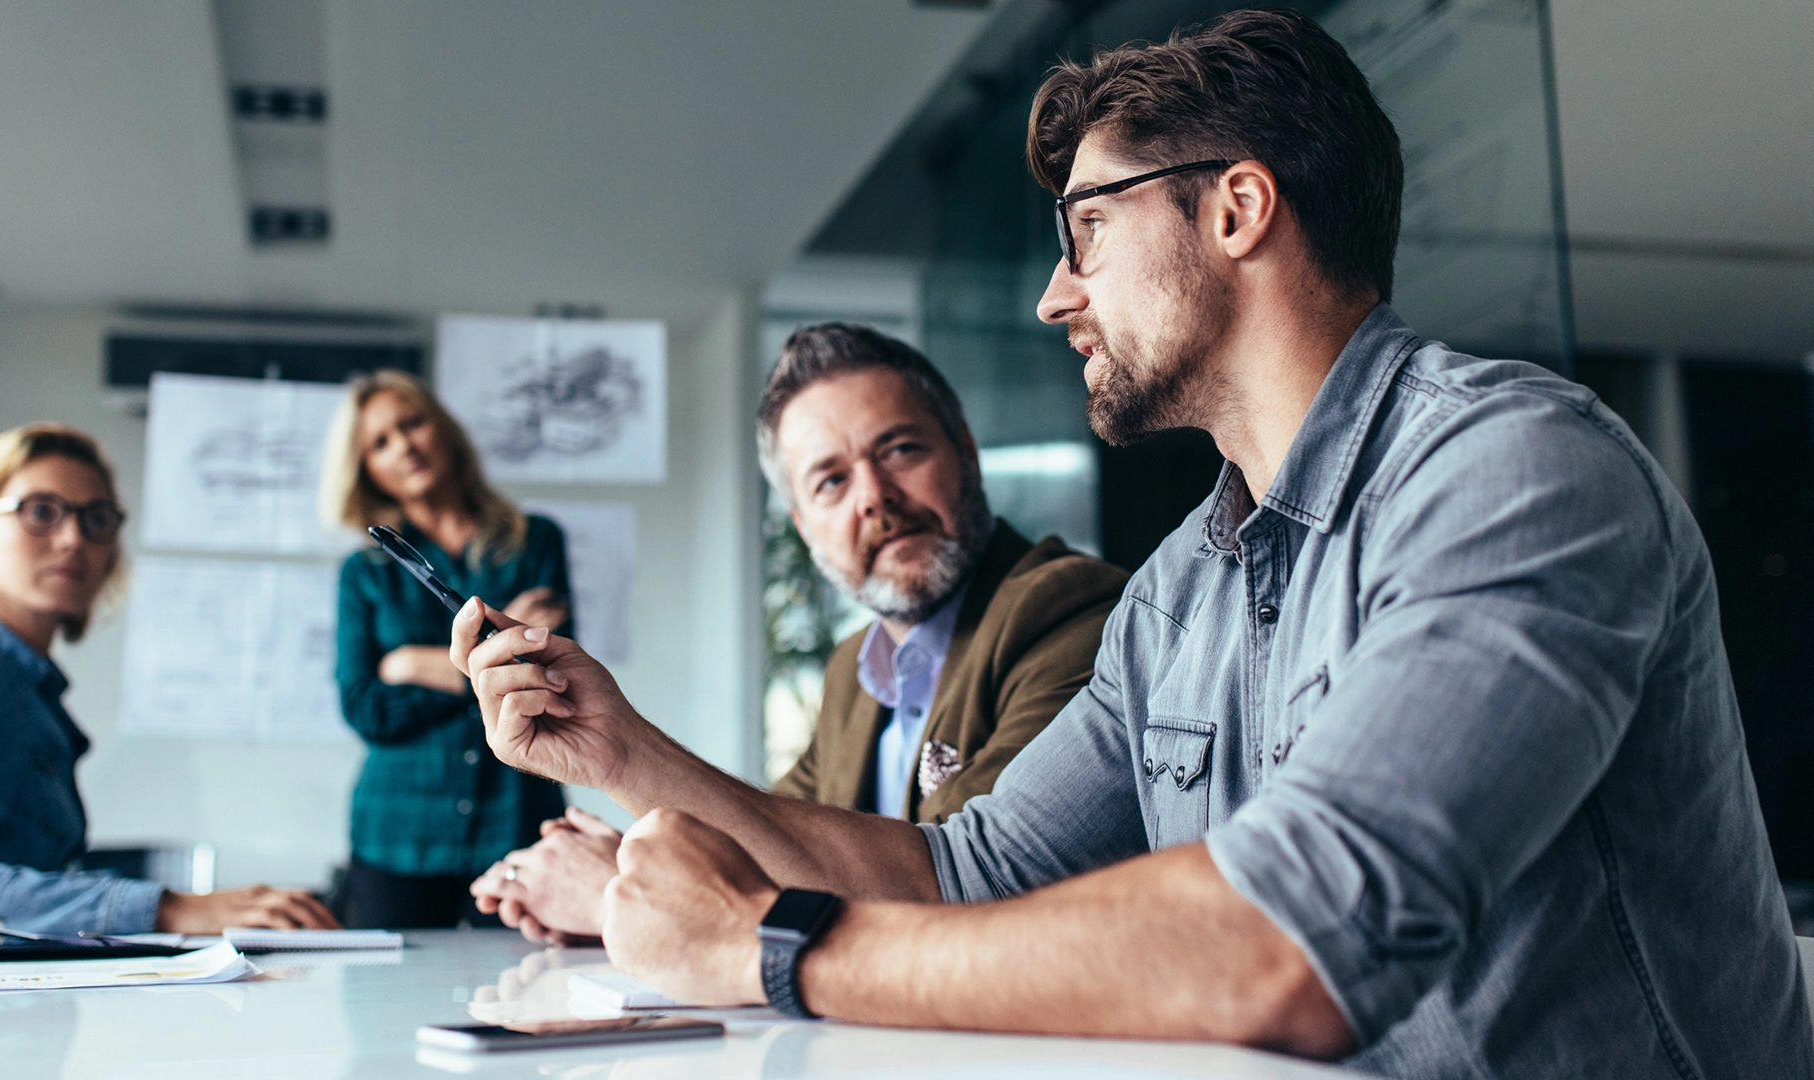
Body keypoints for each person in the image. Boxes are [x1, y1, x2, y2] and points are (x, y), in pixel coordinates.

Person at [450, 10, 1811, 1078]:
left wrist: (770, 948)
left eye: (1089, 232)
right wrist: (616, 751)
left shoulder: (1516, 471)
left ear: (1235, 210)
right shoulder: (1181, 592)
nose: (1055, 296)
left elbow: (1294, 947)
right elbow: (963, 875)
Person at [468, 324, 1127, 941]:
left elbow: (958, 889)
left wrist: (621, 888)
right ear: (803, 524)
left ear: (965, 451)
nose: (873, 496)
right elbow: (772, 842)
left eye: (899, 450)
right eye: (831, 481)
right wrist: (637, 849)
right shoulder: (854, 670)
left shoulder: (1070, 611)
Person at [0, 423, 337, 934]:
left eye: (96, 519)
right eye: (40, 512)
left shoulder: (19, 683)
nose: (73, 538)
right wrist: (169, 908)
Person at [321, 370, 572, 929]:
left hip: (516, 822)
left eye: (412, 424)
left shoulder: (536, 543)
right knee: (388, 1009)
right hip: (398, 833)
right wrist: (492, 662)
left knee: (525, 997)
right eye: (380, 442)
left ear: (443, 430)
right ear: (367, 470)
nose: (404, 445)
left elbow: (550, 677)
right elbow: (365, 707)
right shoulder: (365, 574)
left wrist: (409, 665)